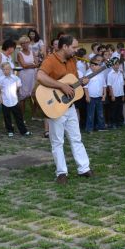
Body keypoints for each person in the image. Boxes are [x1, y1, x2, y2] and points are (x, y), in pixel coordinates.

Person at [36, 35, 92, 183]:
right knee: (57, 141)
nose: (76, 50)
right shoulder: (50, 60)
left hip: (70, 106)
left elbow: (73, 82)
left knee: (76, 138)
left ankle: (84, 168)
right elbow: (40, 76)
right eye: (74, 47)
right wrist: (61, 85)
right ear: (65, 47)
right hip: (55, 107)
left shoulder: (72, 60)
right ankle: (61, 173)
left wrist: (82, 82)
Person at [0, 62, 30, 137]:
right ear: (2, 70)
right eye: (4, 69)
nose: (6, 71)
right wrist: (0, 98)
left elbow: (18, 87)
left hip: (14, 100)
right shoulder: (0, 79)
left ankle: (23, 131)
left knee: (18, 116)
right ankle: (10, 130)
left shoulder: (15, 78)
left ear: (10, 69)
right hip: (5, 100)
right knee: (7, 117)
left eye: (7, 69)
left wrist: (15, 92)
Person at [85, 57, 107, 133]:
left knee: (100, 113)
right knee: (90, 114)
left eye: (98, 65)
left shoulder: (101, 74)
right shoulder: (88, 74)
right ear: (91, 66)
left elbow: (104, 85)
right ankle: (89, 128)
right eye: (93, 65)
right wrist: (87, 96)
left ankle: (101, 127)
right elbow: (85, 87)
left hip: (99, 97)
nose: (96, 67)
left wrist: (104, 94)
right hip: (91, 97)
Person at [16, 36, 37, 116]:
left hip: (32, 76)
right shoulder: (19, 53)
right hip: (23, 77)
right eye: (22, 43)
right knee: (23, 97)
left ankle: (34, 115)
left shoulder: (32, 52)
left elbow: (37, 64)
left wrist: (29, 65)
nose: (25, 44)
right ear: (21, 45)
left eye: (26, 43)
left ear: (29, 43)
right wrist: (32, 64)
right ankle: (22, 116)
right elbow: (23, 65)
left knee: (34, 95)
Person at [106, 57, 125, 129]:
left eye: (117, 64)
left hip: (120, 93)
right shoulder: (110, 74)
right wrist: (112, 95)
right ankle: (112, 123)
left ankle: (118, 122)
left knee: (119, 109)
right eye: (114, 64)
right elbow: (109, 85)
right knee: (113, 109)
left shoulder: (120, 73)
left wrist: (123, 94)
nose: (116, 66)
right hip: (114, 94)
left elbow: (122, 84)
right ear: (112, 65)